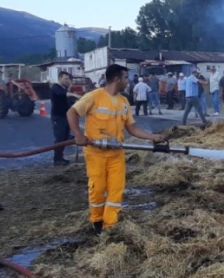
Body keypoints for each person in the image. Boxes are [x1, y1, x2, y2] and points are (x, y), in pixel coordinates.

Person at [67, 64, 165, 234]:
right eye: (126, 78)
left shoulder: (124, 102)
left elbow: (132, 128)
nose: (128, 82)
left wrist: (152, 137)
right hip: (96, 153)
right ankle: (97, 221)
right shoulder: (94, 97)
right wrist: (78, 134)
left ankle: (110, 225)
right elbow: (72, 113)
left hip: (116, 153)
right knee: (97, 188)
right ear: (116, 79)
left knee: (116, 189)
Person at [50, 71, 76, 166]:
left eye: (68, 79)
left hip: (65, 117)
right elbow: (63, 94)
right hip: (58, 117)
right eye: (65, 79)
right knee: (59, 138)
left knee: (65, 138)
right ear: (60, 78)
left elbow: (67, 99)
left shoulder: (63, 88)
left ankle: (60, 157)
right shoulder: (55, 87)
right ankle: (57, 159)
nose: (67, 80)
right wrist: (74, 95)